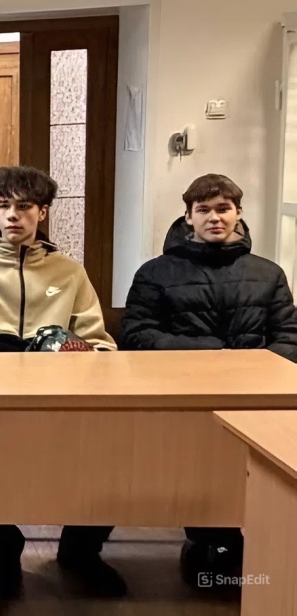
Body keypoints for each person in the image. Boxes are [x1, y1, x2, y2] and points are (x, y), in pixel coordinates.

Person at [0, 166, 126, 599]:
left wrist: (68, 359)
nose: (12, 215)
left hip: (64, 396)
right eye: (3, 206)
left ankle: (81, 551)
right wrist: (19, 366)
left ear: (42, 213)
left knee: (108, 451)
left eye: (23, 206)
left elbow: (97, 342)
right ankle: (4, 553)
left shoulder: (69, 272)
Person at [121, 173, 297, 587]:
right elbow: (137, 335)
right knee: (198, 476)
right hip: (182, 396)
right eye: (203, 210)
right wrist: (209, 355)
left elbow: (289, 337)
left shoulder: (269, 273)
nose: (214, 218)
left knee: (250, 479)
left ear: (238, 213)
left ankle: (245, 556)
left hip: (257, 397)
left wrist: (253, 369)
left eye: (223, 209)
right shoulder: (155, 273)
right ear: (188, 217)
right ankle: (208, 548)